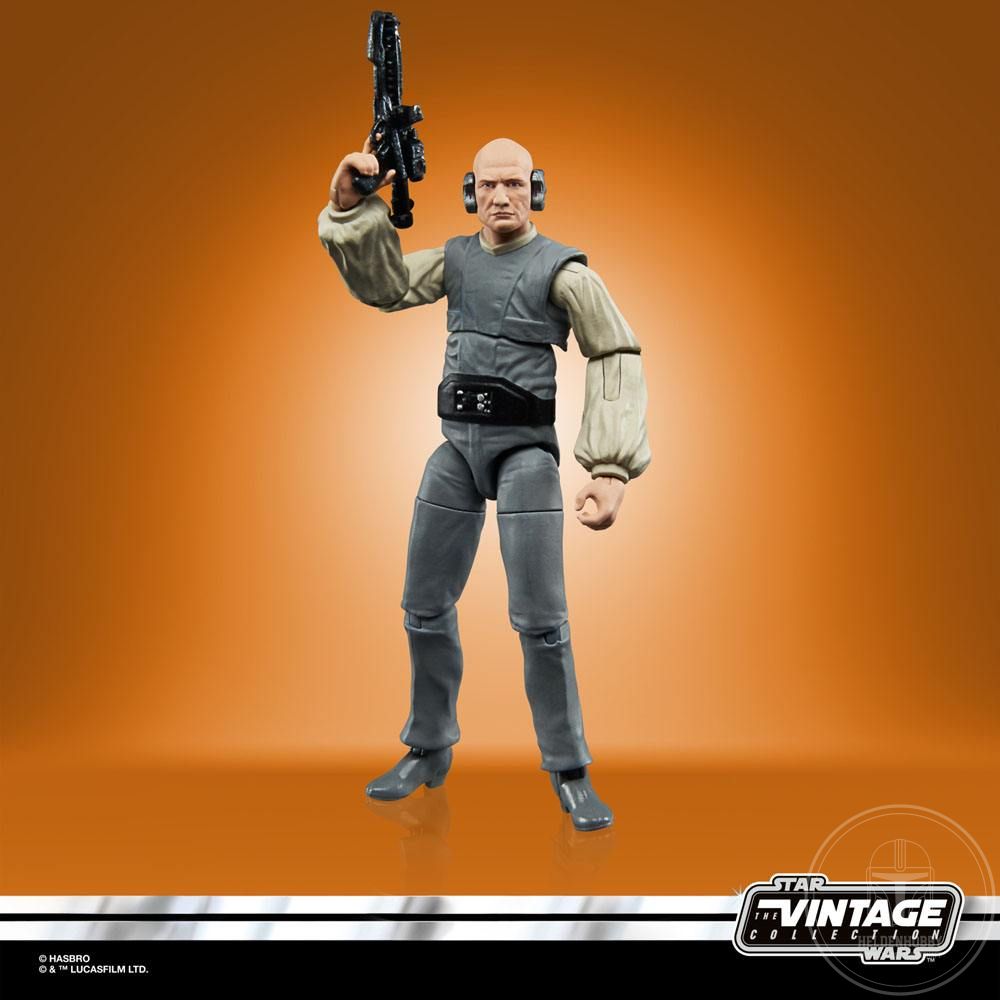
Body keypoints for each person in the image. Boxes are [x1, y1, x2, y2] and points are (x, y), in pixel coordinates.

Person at [318, 135, 650, 830]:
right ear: (470, 193)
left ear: (536, 190)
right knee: (422, 605)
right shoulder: (458, 260)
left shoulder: (563, 271)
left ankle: (569, 769)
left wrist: (610, 466)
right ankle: (428, 746)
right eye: (489, 186)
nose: (502, 197)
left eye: (515, 184)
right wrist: (351, 207)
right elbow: (387, 286)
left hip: (525, 456)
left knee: (541, 620)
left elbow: (614, 350)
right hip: (456, 453)